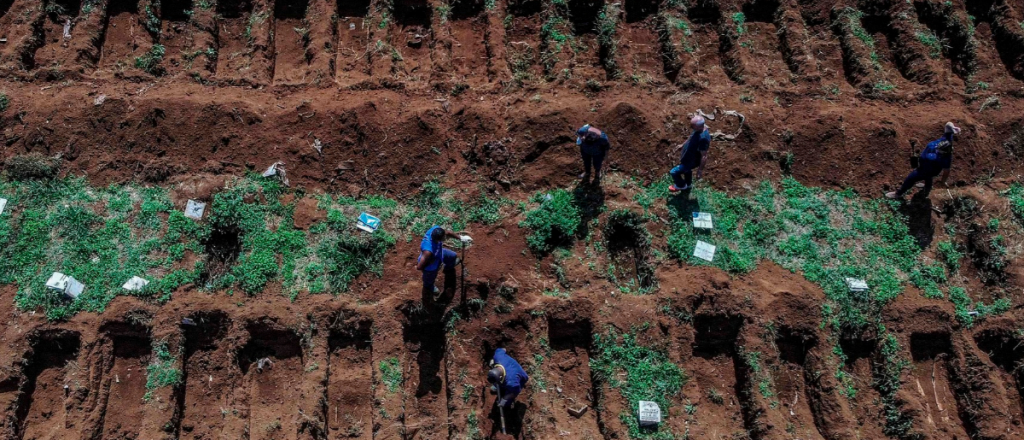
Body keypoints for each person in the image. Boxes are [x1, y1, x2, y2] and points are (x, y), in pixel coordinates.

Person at [886, 122, 961, 200]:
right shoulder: (944, 153)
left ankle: (898, 193)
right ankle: (927, 190)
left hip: (925, 169)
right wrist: (943, 182)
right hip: (931, 169)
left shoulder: (940, 151)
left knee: (911, 178)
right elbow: (946, 171)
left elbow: (946, 171)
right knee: (929, 176)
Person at [416, 225, 472, 297]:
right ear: (437, 240)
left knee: (453, 256)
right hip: (430, 267)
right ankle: (429, 286)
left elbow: (447, 232)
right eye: (443, 238)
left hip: (439, 253)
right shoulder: (428, 252)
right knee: (429, 279)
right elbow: (419, 267)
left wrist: (461, 238)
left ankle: (448, 268)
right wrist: (432, 264)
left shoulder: (435, 230)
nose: (445, 238)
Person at [669, 116, 711, 192]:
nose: (691, 127)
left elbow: (704, 156)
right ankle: (688, 185)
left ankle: (681, 185)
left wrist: (700, 170)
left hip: (691, 161)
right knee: (687, 171)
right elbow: (691, 137)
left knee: (673, 172)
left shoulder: (703, 138)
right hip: (687, 157)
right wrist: (682, 145)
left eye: (692, 126)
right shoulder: (698, 130)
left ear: (699, 127)